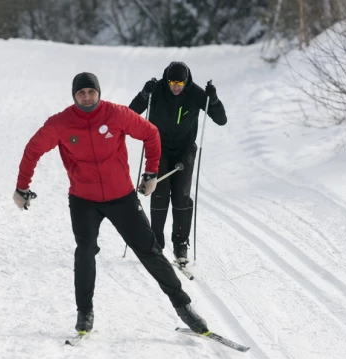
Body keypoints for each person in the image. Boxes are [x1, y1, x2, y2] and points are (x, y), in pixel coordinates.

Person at [13, 72, 208, 335]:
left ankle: (184, 307)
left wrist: (151, 173)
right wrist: (22, 186)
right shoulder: (61, 123)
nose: (86, 97)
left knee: (149, 250)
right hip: (83, 200)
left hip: (122, 198)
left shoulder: (115, 114)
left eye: (91, 92)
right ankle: (85, 313)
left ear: (98, 92)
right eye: (81, 93)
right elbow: (33, 149)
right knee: (85, 252)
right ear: (74, 96)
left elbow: (151, 134)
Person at [129, 61, 227, 266]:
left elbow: (221, 119)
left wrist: (214, 99)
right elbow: (131, 113)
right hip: (159, 148)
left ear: (186, 81)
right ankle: (156, 242)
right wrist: (144, 94)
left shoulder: (196, 93)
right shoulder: (157, 90)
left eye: (180, 83)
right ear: (167, 80)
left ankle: (181, 243)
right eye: (173, 82)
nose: (176, 87)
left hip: (184, 150)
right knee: (160, 192)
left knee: (181, 196)